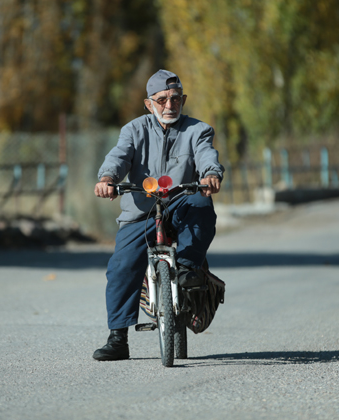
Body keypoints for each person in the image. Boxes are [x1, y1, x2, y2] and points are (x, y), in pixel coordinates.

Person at [92, 69, 224, 361]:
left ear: (183, 100)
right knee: (121, 266)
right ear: (148, 103)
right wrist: (107, 178)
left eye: (175, 98)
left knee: (202, 205)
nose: (169, 105)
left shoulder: (198, 130)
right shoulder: (133, 130)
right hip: (142, 212)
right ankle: (118, 338)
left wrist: (210, 174)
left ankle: (187, 269)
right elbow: (119, 156)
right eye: (161, 99)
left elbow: (206, 154)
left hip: (181, 203)